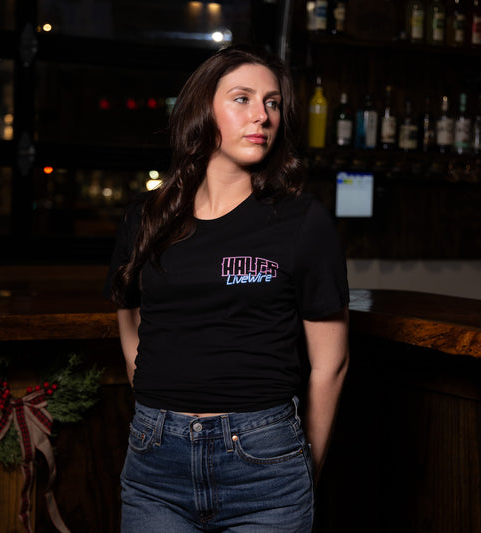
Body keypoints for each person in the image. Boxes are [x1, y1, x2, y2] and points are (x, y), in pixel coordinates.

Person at [104, 44, 349, 532]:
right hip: (155, 461)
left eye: (273, 102)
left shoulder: (301, 220)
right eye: (243, 98)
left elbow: (331, 363)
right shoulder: (147, 218)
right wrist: (157, 396)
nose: (262, 115)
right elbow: (129, 315)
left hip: (264, 461)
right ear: (202, 109)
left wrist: (307, 467)